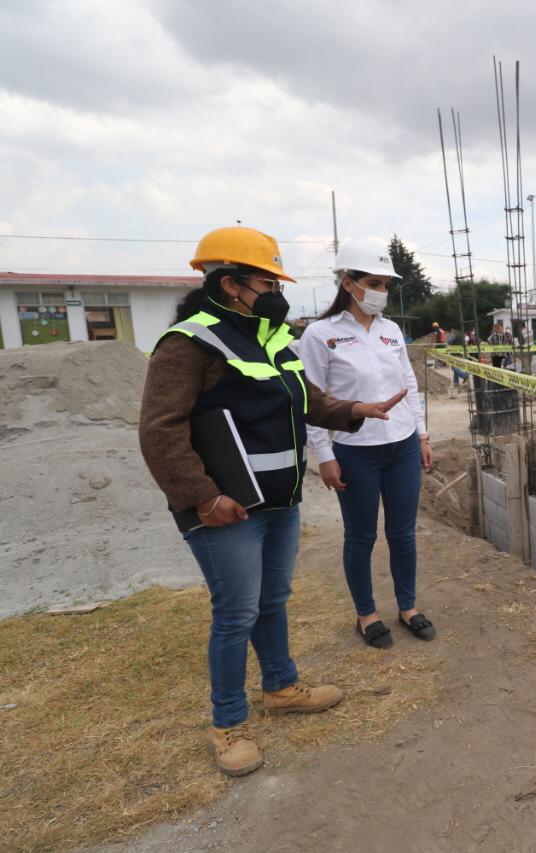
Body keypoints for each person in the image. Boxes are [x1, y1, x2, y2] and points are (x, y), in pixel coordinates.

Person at [139, 226, 408, 778]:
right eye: (267, 280)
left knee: (272, 600)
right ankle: (228, 723)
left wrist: (355, 411)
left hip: (278, 498)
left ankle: (281, 688)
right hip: (226, 509)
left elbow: (306, 399)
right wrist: (202, 498)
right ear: (231, 283)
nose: (275, 290)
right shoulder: (189, 343)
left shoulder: (270, 337)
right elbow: (160, 432)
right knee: (236, 613)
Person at [298, 237, 437, 652]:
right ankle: (367, 614)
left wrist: (422, 433)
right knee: (361, 537)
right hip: (355, 452)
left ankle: (408, 608)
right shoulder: (320, 335)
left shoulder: (391, 331)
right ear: (348, 283)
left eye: (386, 284)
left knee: (403, 534)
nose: (381, 292)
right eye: (373, 282)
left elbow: (408, 385)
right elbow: (313, 399)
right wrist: (324, 455)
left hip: (402, 449)